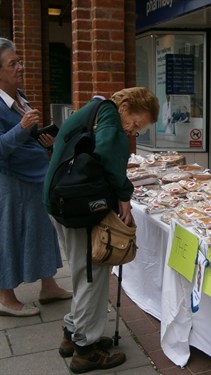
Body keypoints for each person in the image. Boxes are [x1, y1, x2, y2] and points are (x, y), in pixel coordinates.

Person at [43, 87, 159, 373]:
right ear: (125, 106)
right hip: (75, 206)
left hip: (63, 200)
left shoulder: (99, 111)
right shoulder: (108, 115)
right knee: (91, 277)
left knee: (85, 273)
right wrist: (123, 195)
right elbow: (107, 152)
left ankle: (73, 334)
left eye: (139, 128)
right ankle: (86, 350)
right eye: (135, 123)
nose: (133, 130)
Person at [0, 38, 72, 317]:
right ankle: (5, 297)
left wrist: (41, 138)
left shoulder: (20, 96)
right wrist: (22, 127)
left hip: (34, 176)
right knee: (9, 235)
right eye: (13, 63)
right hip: (11, 181)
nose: (20, 67)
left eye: (20, 61)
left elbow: (27, 138)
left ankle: (49, 286)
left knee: (42, 230)